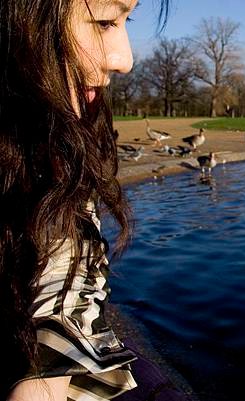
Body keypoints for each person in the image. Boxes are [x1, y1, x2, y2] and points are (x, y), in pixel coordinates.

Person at [0, 1, 169, 400]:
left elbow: (64, 280)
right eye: (105, 21)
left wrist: (42, 378)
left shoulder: (58, 149)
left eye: (127, 20)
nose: (125, 59)